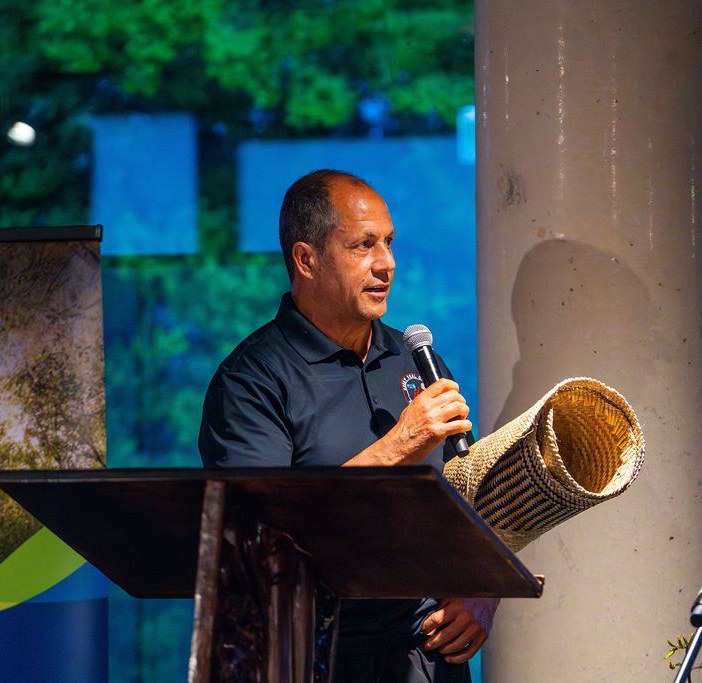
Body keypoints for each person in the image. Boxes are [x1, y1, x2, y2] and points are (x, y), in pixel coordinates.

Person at [198, 169, 498, 682]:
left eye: (388, 243)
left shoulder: (416, 360)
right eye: (363, 245)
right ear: (306, 259)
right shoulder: (251, 380)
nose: (387, 264)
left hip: (429, 654)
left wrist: (481, 592)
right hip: (316, 656)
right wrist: (400, 443)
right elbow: (264, 537)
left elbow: (472, 497)